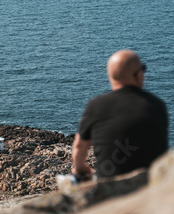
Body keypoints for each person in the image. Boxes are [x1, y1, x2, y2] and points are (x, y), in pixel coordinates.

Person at [72, 49, 168, 178]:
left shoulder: (96, 106)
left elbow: (79, 146)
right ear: (138, 75)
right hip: (150, 184)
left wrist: (80, 168)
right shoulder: (157, 105)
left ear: (111, 76)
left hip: (110, 186)